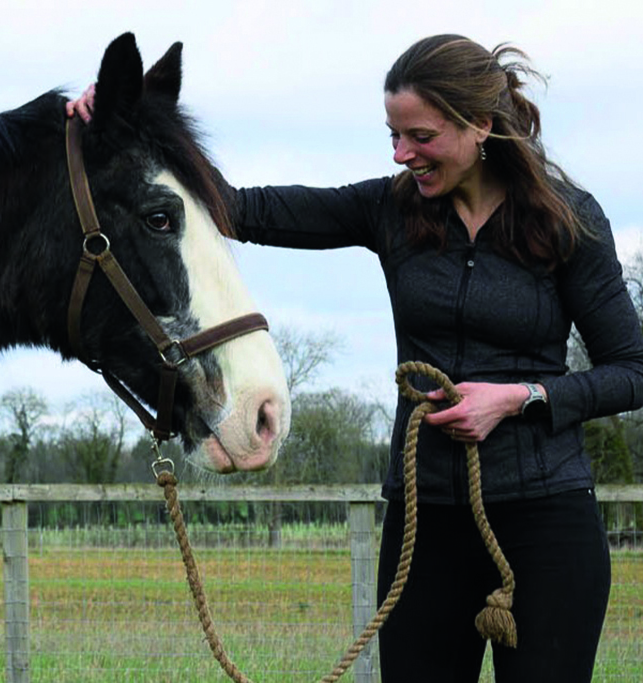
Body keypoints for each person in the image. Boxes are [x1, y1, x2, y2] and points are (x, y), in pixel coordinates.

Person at [68, 34, 643, 683]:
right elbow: (235, 208)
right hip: (424, 527)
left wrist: (522, 399)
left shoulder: (567, 219)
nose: (402, 154)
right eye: (393, 135)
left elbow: (633, 369)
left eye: (420, 137)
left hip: (548, 526)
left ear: (480, 125)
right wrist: (125, 124)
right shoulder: (390, 209)